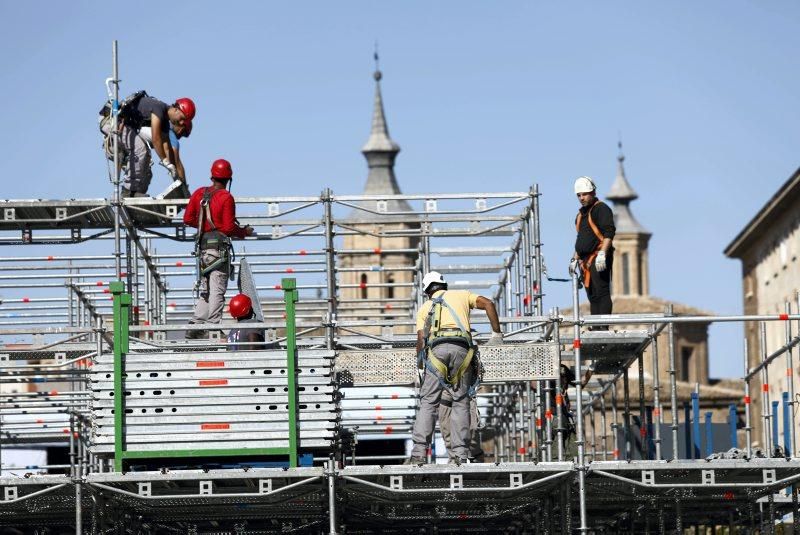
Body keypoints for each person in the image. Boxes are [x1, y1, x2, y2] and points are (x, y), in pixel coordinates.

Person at [407, 271, 503, 465]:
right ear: (444, 285)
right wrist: (496, 334)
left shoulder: (425, 307)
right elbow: (489, 304)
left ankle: (418, 454)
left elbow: (420, 340)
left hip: (436, 353)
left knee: (428, 402)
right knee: (460, 402)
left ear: (427, 291)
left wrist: (419, 367)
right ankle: (459, 455)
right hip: (462, 351)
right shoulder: (461, 295)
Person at [183, 159, 253, 339]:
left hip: (203, 250)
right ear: (229, 179)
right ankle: (213, 326)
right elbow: (229, 228)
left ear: (212, 176)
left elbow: (188, 219)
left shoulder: (200, 193)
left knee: (206, 289)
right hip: (218, 251)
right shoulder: (226, 197)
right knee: (217, 289)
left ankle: (196, 324)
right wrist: (243, 232)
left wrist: (204, 225)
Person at [102, 93, 196, 197]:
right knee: (140, 149)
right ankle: (127, 191)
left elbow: (167, 148)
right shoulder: (159, 108)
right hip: (111, 122)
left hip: (123, 127)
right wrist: (165, 162)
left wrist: (176, 175)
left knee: (146, 158)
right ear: (176, 109)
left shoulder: (164, 123)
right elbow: (156, 139)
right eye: (182, 118)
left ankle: (135, 193)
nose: (181, 123)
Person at [570, 176, 616, 324]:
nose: (581, 198)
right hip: (585, 261)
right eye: (579, 195)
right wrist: (574, 260)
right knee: (592, 295)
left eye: (584, 194)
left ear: (593, 192)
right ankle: (596, 327)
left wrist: (602, 254)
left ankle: (603, 328)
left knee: (601, 292)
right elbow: (582, 240)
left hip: (598, 256)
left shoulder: (601, 209)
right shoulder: (580, 215)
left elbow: (609, 233)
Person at [439, 390, 485, 462]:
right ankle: (456, 458)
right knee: (448, 432)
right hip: (447, 391)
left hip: (465, 391)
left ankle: (473, 456)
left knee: (472, 432)